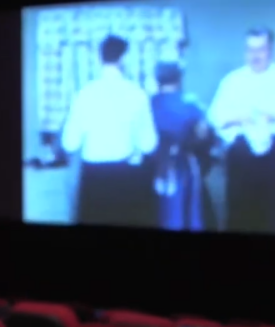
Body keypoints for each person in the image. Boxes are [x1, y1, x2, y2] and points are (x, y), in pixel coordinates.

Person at [61, 35, 158, 227]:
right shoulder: (137, 94)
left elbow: (70, 143)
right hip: (126, 178)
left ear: (100, 58)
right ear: (124, 58)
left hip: (93, 178)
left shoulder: (83, 95)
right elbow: (149, 145)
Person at [207, 28, 275, 234]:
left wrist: (271, 115)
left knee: (273, 214)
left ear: (271, 50)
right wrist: (240, 117)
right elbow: (215, 116)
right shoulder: (232, 80)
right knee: (240, 215)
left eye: (261, 49)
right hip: (241, 155)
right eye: (250, 50)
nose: (255, 56)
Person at [149, 61, 217, 231]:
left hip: (154, 168)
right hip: (184, 166)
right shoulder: (191, 103)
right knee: (187, 214)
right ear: (179, 78)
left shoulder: (148, 103)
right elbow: (206, 135)